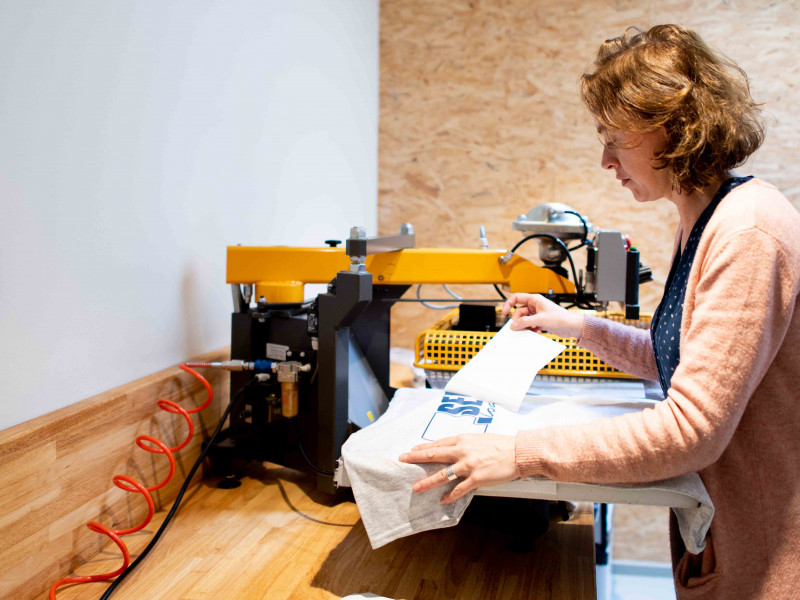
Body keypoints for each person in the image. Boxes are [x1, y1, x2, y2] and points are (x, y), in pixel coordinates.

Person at [399, 24, 800, 598]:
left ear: (671, 128)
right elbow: (675, 360)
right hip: (728, 533)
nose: (605, 158)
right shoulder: (703, 218)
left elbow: (692, 431)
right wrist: (574, 324)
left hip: (763, 555)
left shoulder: (748, 232)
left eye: (615, 136)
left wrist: (517, 453)